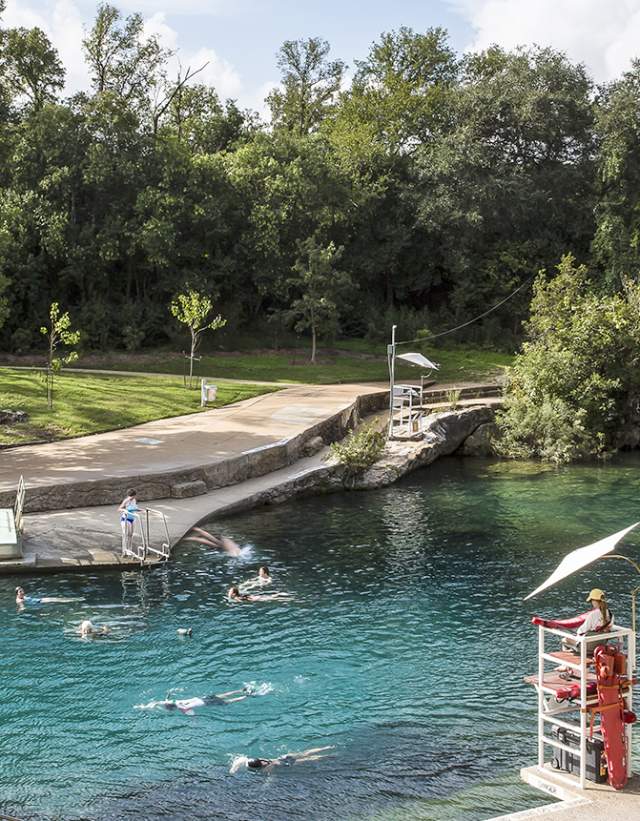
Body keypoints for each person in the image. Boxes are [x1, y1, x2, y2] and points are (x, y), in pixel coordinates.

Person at [139, 686, 255, 715]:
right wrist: (168, 695)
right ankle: (241, 689)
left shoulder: (180, 708)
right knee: (224, 695)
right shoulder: (175, 701)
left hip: (204, 703)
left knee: (228, 702)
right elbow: (164, 701)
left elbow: (189, 712)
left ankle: (247, 696)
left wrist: (193, 718)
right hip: (202, 698)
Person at [232, 746, 334, 773]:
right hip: (283, 757)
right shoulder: (256, 759)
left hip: (283, 763)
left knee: (309, 759)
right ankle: (327, 748)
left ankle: (326, 756)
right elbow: (241, 760)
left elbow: (271, 775)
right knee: (305, 753)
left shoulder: (265, 768)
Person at [118, 488, 139, 554]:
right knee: (126, 534)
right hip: (126, 519)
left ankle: (130, 549)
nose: (133, 497)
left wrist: (140, 510)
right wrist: (125, 510)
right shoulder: (126, 501)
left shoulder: (134, 500)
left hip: (132, 519)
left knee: (131, 535)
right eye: (133, 496)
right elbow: (119, 509)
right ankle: (125, 550)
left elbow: (134, 508)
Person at [227, 585, 291, 603]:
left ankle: (286, 599)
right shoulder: (239, 595)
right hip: (255, 596)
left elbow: (241, 601)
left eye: (230, 591)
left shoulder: (236, 598)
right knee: (270, 596)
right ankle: (280, 594)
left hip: (256, 599)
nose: (229, 592)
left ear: (234, 594)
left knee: (273, 599)